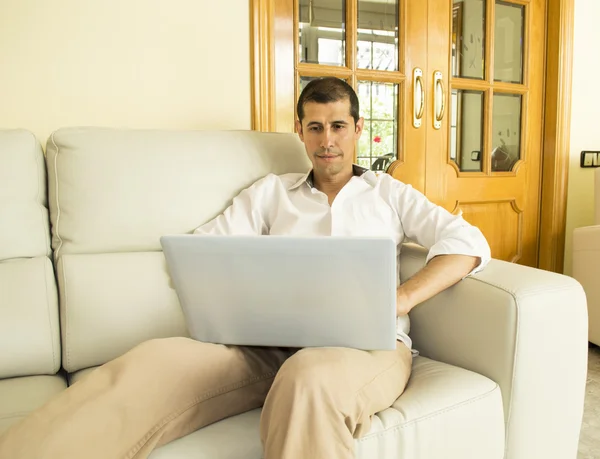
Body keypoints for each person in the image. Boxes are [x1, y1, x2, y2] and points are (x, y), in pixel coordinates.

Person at [0, 77, 490, 459]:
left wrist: (400, 298)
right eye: (315, 126)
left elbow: (466, 241)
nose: (327, 140)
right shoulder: (272, 192)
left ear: (359, 129)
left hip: (362, 347)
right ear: (299, 131)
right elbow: (204, 250)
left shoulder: (391, 194)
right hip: (263, 344)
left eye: (338, 126)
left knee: (309, 379)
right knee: (151, 363)